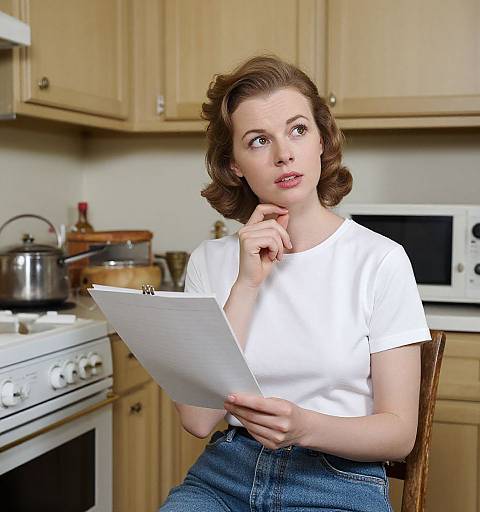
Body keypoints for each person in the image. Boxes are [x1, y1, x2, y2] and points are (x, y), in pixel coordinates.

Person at [159, 54, 431, 512]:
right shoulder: (211, 261)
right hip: (225, 476)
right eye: (258, 140)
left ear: (322, 139)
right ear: (234, 166)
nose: (283, 153)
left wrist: (305, 427)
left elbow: (399, 434)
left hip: (339, 482)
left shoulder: (380, 260)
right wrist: (245, 285)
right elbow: (200, 420)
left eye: (298, 129)